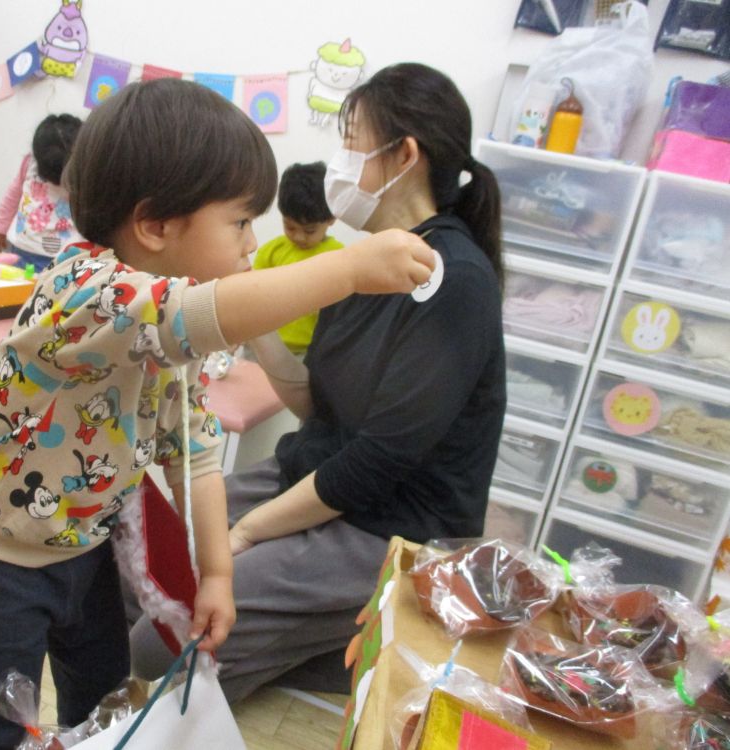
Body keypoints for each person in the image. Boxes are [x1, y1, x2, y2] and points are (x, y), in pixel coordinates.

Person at [0, 77, 435, 749]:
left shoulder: (174, 340)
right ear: (156, 225)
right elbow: (197, 314)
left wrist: (217, 575)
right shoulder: (86, 290)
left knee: (105, 707)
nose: (251, 243)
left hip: (85, 551)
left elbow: (195, 454)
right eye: (239, 222)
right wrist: (347, 270)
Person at [129, 62, 507, 703]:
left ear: (404, 155)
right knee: (136, 563)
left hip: (386, 522)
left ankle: (342, 645)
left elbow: (377, 460)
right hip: (311, 474)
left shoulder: (452, 280)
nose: (340, 163)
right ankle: (301, 646)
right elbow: (317, 404)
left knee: (157, 639)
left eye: (352, 142)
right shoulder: (363, 263)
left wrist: (246, 535)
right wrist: (249, 319)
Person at [252, 161, 342, 355]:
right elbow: (251, 296)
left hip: (310, 351)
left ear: (332, 218)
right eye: (290, 227)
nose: (299, 237)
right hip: (265, 346)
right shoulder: (271, 252)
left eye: (310, 231)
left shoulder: (339, 257)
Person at [0, 114, 84, 273]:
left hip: (67, 256)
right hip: (22, 248)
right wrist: (0, 227)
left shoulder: (87, 170)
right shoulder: (30, 163)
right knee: (20, 285)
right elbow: (13, 194)